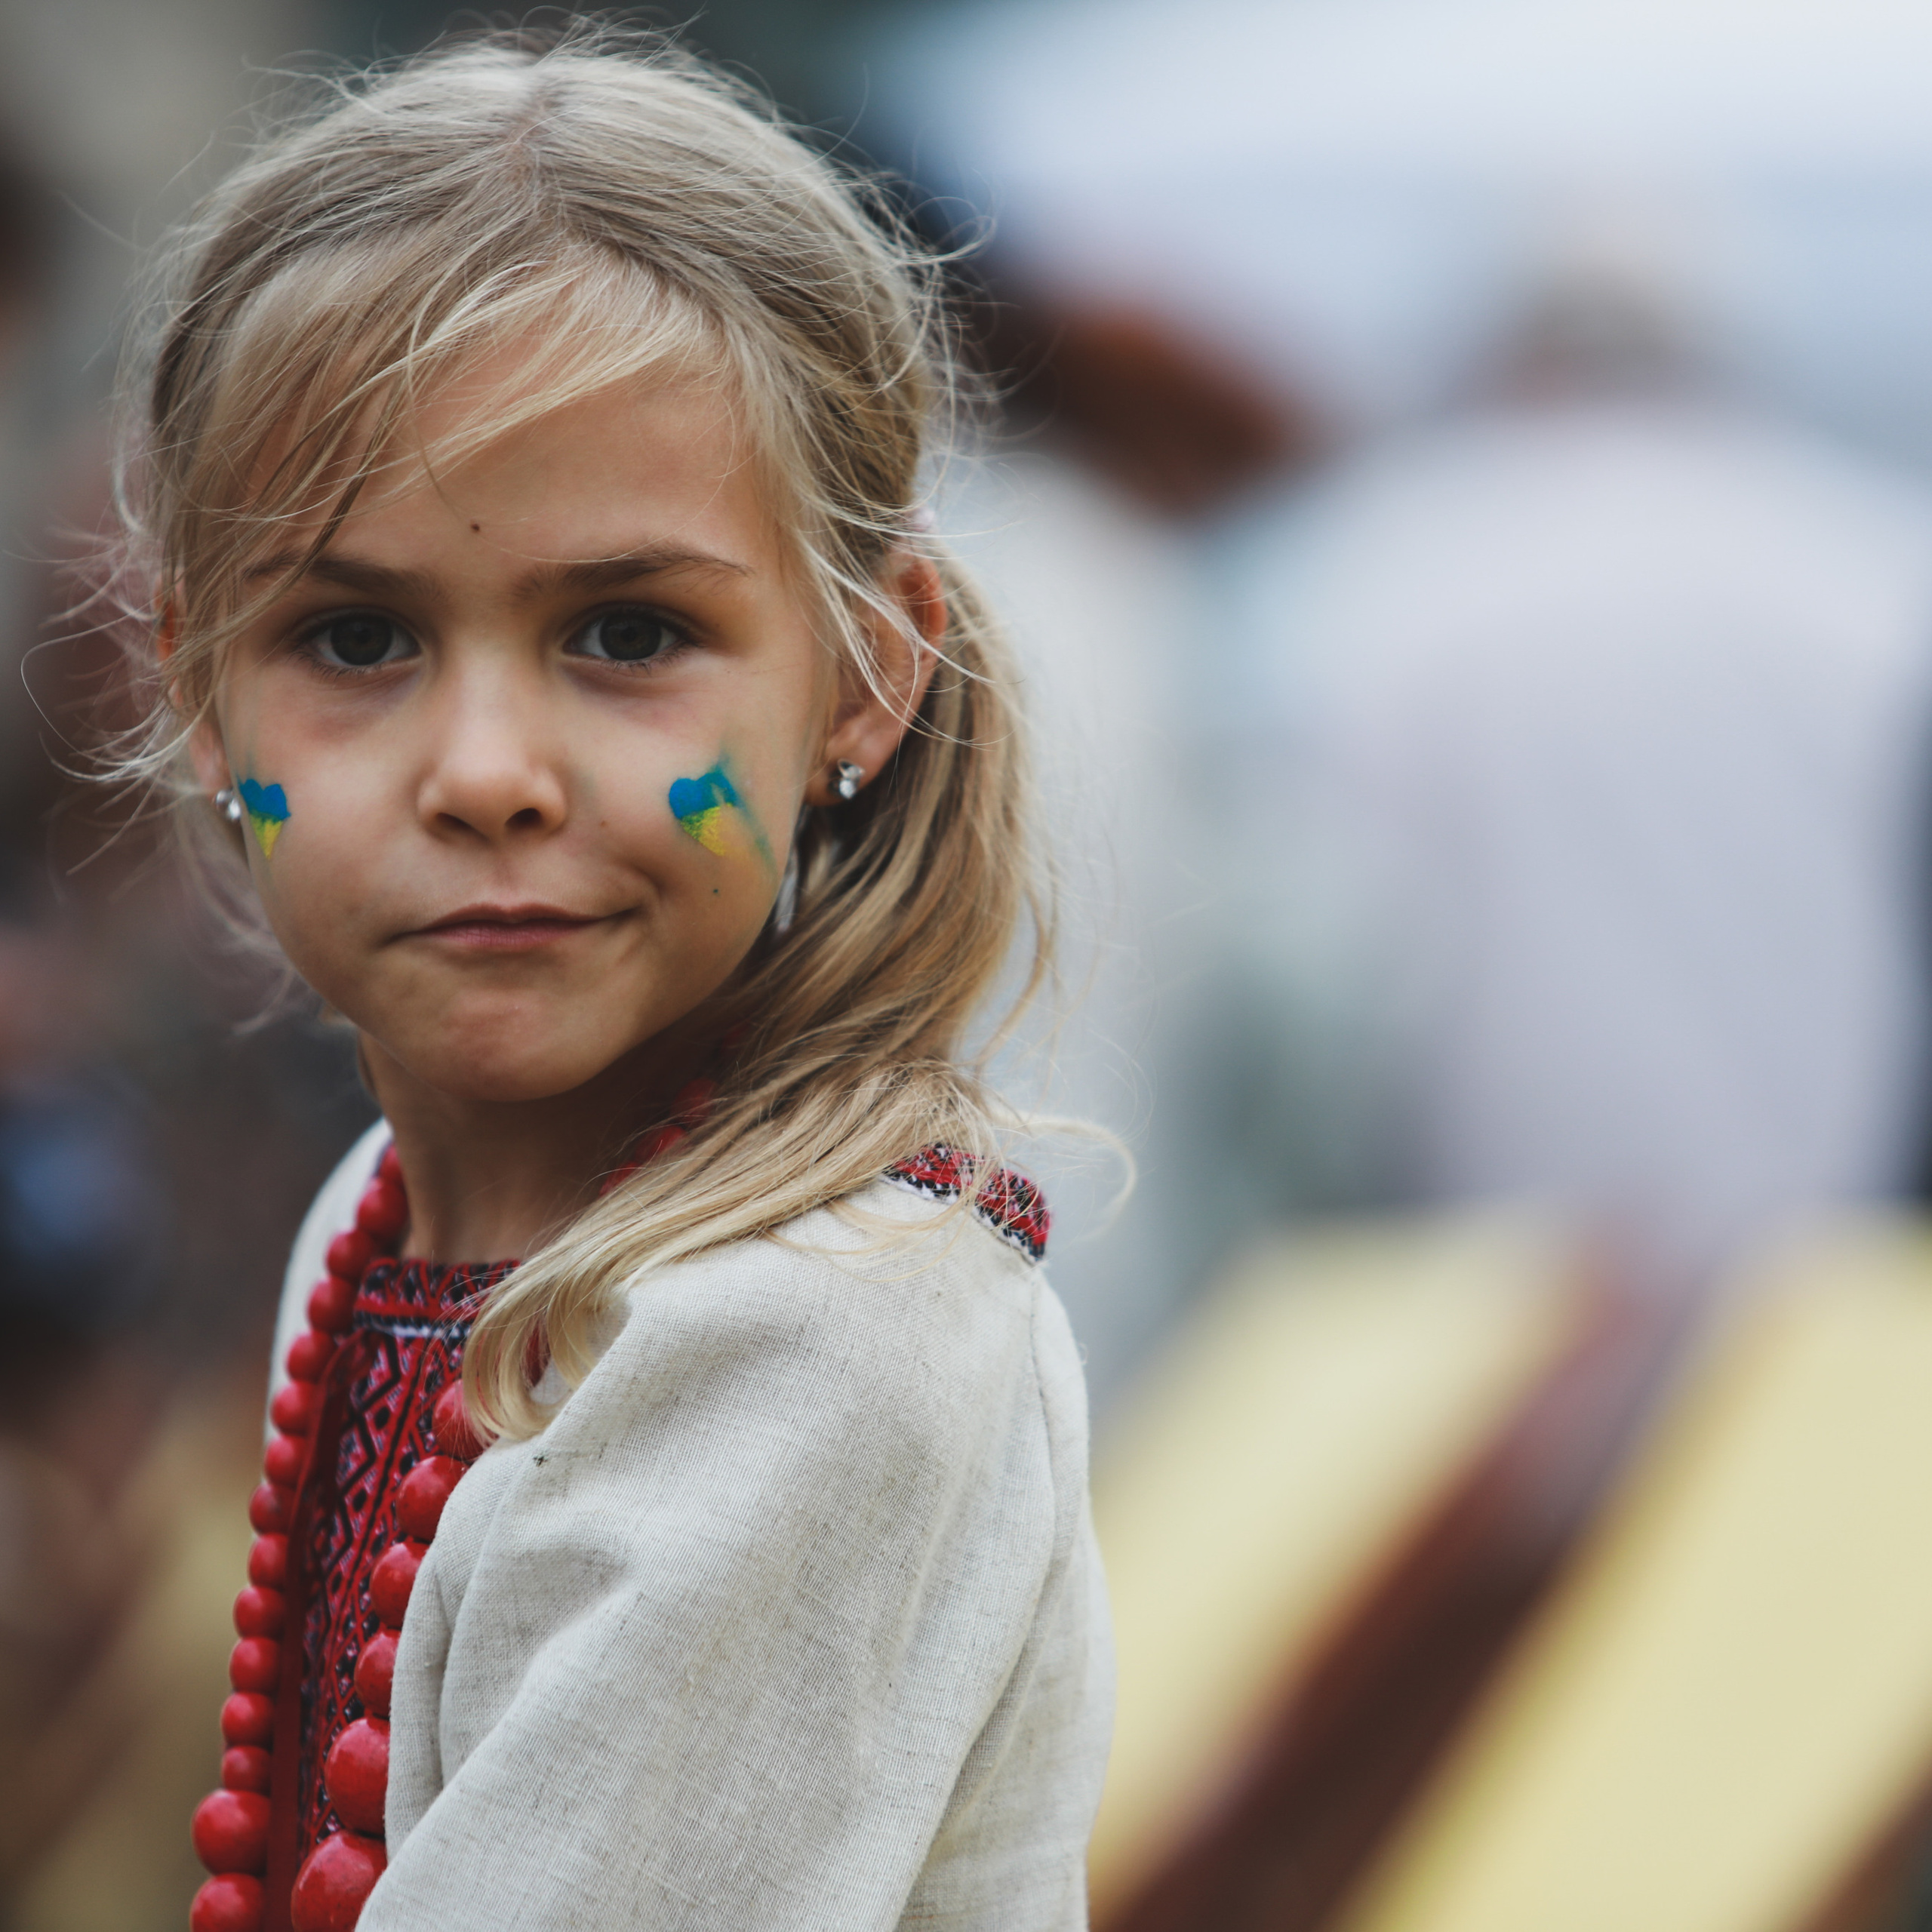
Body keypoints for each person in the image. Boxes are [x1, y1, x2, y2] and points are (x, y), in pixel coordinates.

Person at [103, 26, 1110, 1931]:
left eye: (628, 631)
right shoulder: (379, 1216)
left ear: (865, 675)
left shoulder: (810, 1333)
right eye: (357, 637)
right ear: (198, 688)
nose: (488, 773)